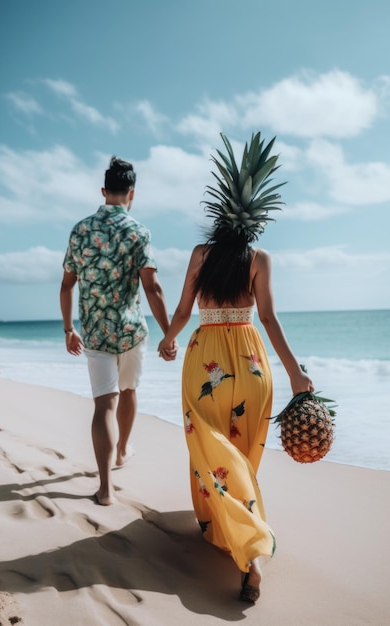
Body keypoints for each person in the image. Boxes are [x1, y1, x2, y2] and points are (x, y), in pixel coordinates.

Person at [158, 132, 314, 604]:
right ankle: (245, 542)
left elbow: (183, 310)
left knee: (210, 450)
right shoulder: (259, 258)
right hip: (251, 366)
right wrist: (293, 372)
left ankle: (247, 549)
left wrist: (168, 338)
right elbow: (267, 318)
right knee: (241, 456)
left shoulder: (201, 255)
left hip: (204, 364)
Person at [60, 156, 176, 506]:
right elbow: (153, 288)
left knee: (103, 407)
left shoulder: (80, 230)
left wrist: (69, 329)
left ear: (103, 191)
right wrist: (169, 335)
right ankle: (123, 450)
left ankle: (105, 488)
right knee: (129, 391)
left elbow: (66, 286)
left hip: (95, 333)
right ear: (132, 194)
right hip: (130, 331)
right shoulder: (139, 232)